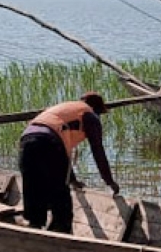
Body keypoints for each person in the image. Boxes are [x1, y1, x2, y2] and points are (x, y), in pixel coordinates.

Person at [18, 92, 120, 233]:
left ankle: (35, 226)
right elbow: (98, 151)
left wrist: (72, 180)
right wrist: (109, 181)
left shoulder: (67, 110)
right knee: (60, 196)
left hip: (26, 140)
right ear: (97, 109)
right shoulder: (90, 115)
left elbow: (63, 155)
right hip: (49, 141)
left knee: (33, 187)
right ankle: (62, 231)